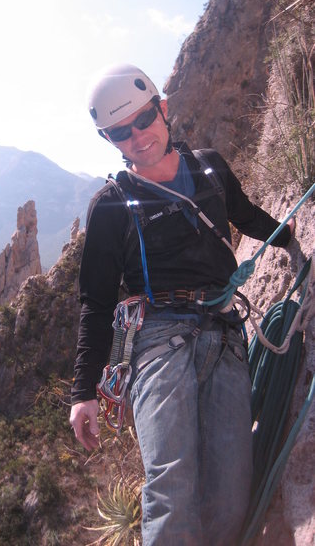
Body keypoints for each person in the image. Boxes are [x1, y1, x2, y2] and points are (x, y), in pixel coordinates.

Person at [69, 63, 295, 546]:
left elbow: (246, 214)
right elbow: (96, 301)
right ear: (110, 139)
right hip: (158, 341)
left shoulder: (210, 168)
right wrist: (82, 391)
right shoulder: (111, 205)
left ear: (163, 109)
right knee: (172, 488)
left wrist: (292, 238)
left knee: (231, 494)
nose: (137, 136)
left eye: (143, 119)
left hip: (224, 333)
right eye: (119, 132)